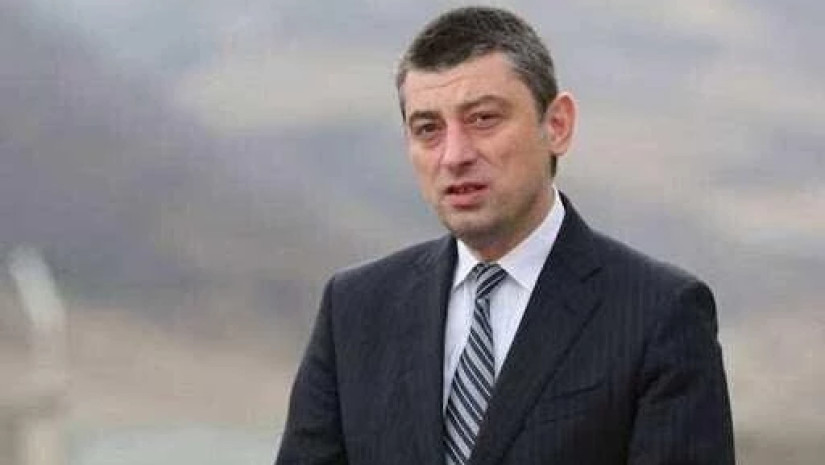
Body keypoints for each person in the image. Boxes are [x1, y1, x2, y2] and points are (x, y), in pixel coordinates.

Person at [275, 6, 734, 465]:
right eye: (428, 129)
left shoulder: (658, 314)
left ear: (557, 125)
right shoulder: (354, 310)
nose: (454, 155)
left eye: (483, 119)